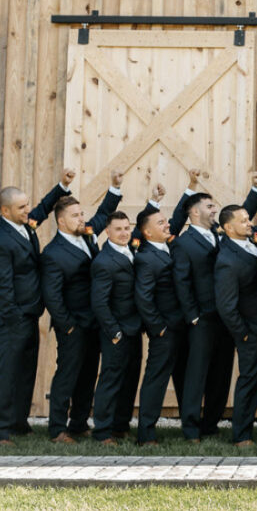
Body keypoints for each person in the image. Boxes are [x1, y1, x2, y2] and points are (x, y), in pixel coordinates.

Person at [172, 170, 257, 442]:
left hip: (226, 317)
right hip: (202, 318)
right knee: (197, 373)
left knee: (221, 373)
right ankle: (191, 428)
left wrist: (256, 191)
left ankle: (210, 423)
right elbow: (181, 281)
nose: (214, 209)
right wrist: (192, 315)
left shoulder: (219, 234)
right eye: (208, 206)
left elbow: (238, 218)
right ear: (194, 213)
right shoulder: (183, 243)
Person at [0, 168, 74, 444]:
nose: (28, 210)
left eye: (27, 206)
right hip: (14, 316)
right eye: (22, 207)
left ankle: (18, 423)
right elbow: (2, 284)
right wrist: (13, 316)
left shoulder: (23, 224)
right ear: (5, 210)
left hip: (29, 312)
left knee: (26, 371)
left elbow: (44, 208)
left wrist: (62, 185)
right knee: (7, 371)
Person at [40, 170, 124, 443]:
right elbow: (52, 296)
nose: (82, 218)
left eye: (81, 214)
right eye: (76, 215)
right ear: (61, 221)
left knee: (89, 373)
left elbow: (102, 216)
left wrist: (114, 188)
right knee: (67, 375)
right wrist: (68, 326)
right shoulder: (52, 254)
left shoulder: (87, 237)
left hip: (93, 322)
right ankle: (56, 429)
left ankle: (78, 423)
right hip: (72, 324)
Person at [214, 205, 257, 446]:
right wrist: (243, 334)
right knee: (248, 381)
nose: (250, 223)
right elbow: (226, 305)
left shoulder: (251, 244)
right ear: (228, 228)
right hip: (251, 330)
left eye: (249, 219)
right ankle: (242, 435)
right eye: (244, 220)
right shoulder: (227, 260)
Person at [133, 205, 182, 445]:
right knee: (156, 379)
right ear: (147, 233)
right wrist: (158, 327)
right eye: (161, 223)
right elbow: (143, 297)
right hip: (164, 330)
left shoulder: (169, 248)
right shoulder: (146, 258)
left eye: (166, 221)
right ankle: (146, 433)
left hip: (179, 326)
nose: (167, 225)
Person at [90, 211, 141, 444]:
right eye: (118, 229)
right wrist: (115, 333)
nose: (124, 233)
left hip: (134, 329)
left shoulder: (132, 250)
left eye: (126, 228)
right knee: (110, 381)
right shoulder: (104, 261)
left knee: (130, 380)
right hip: (117, 332)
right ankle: (102, 431)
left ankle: (120, 426)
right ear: (107, 232)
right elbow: (99, 302)